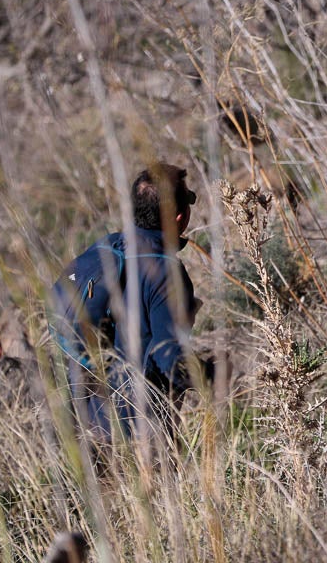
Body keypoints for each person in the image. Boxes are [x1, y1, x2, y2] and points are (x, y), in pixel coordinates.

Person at [51, 162, 205, 443]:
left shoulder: (107, 246)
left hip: (86, 420)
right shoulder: (165, 273)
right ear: (180, 217)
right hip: (135, 429)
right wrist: (212, 374)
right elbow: (170, 361)